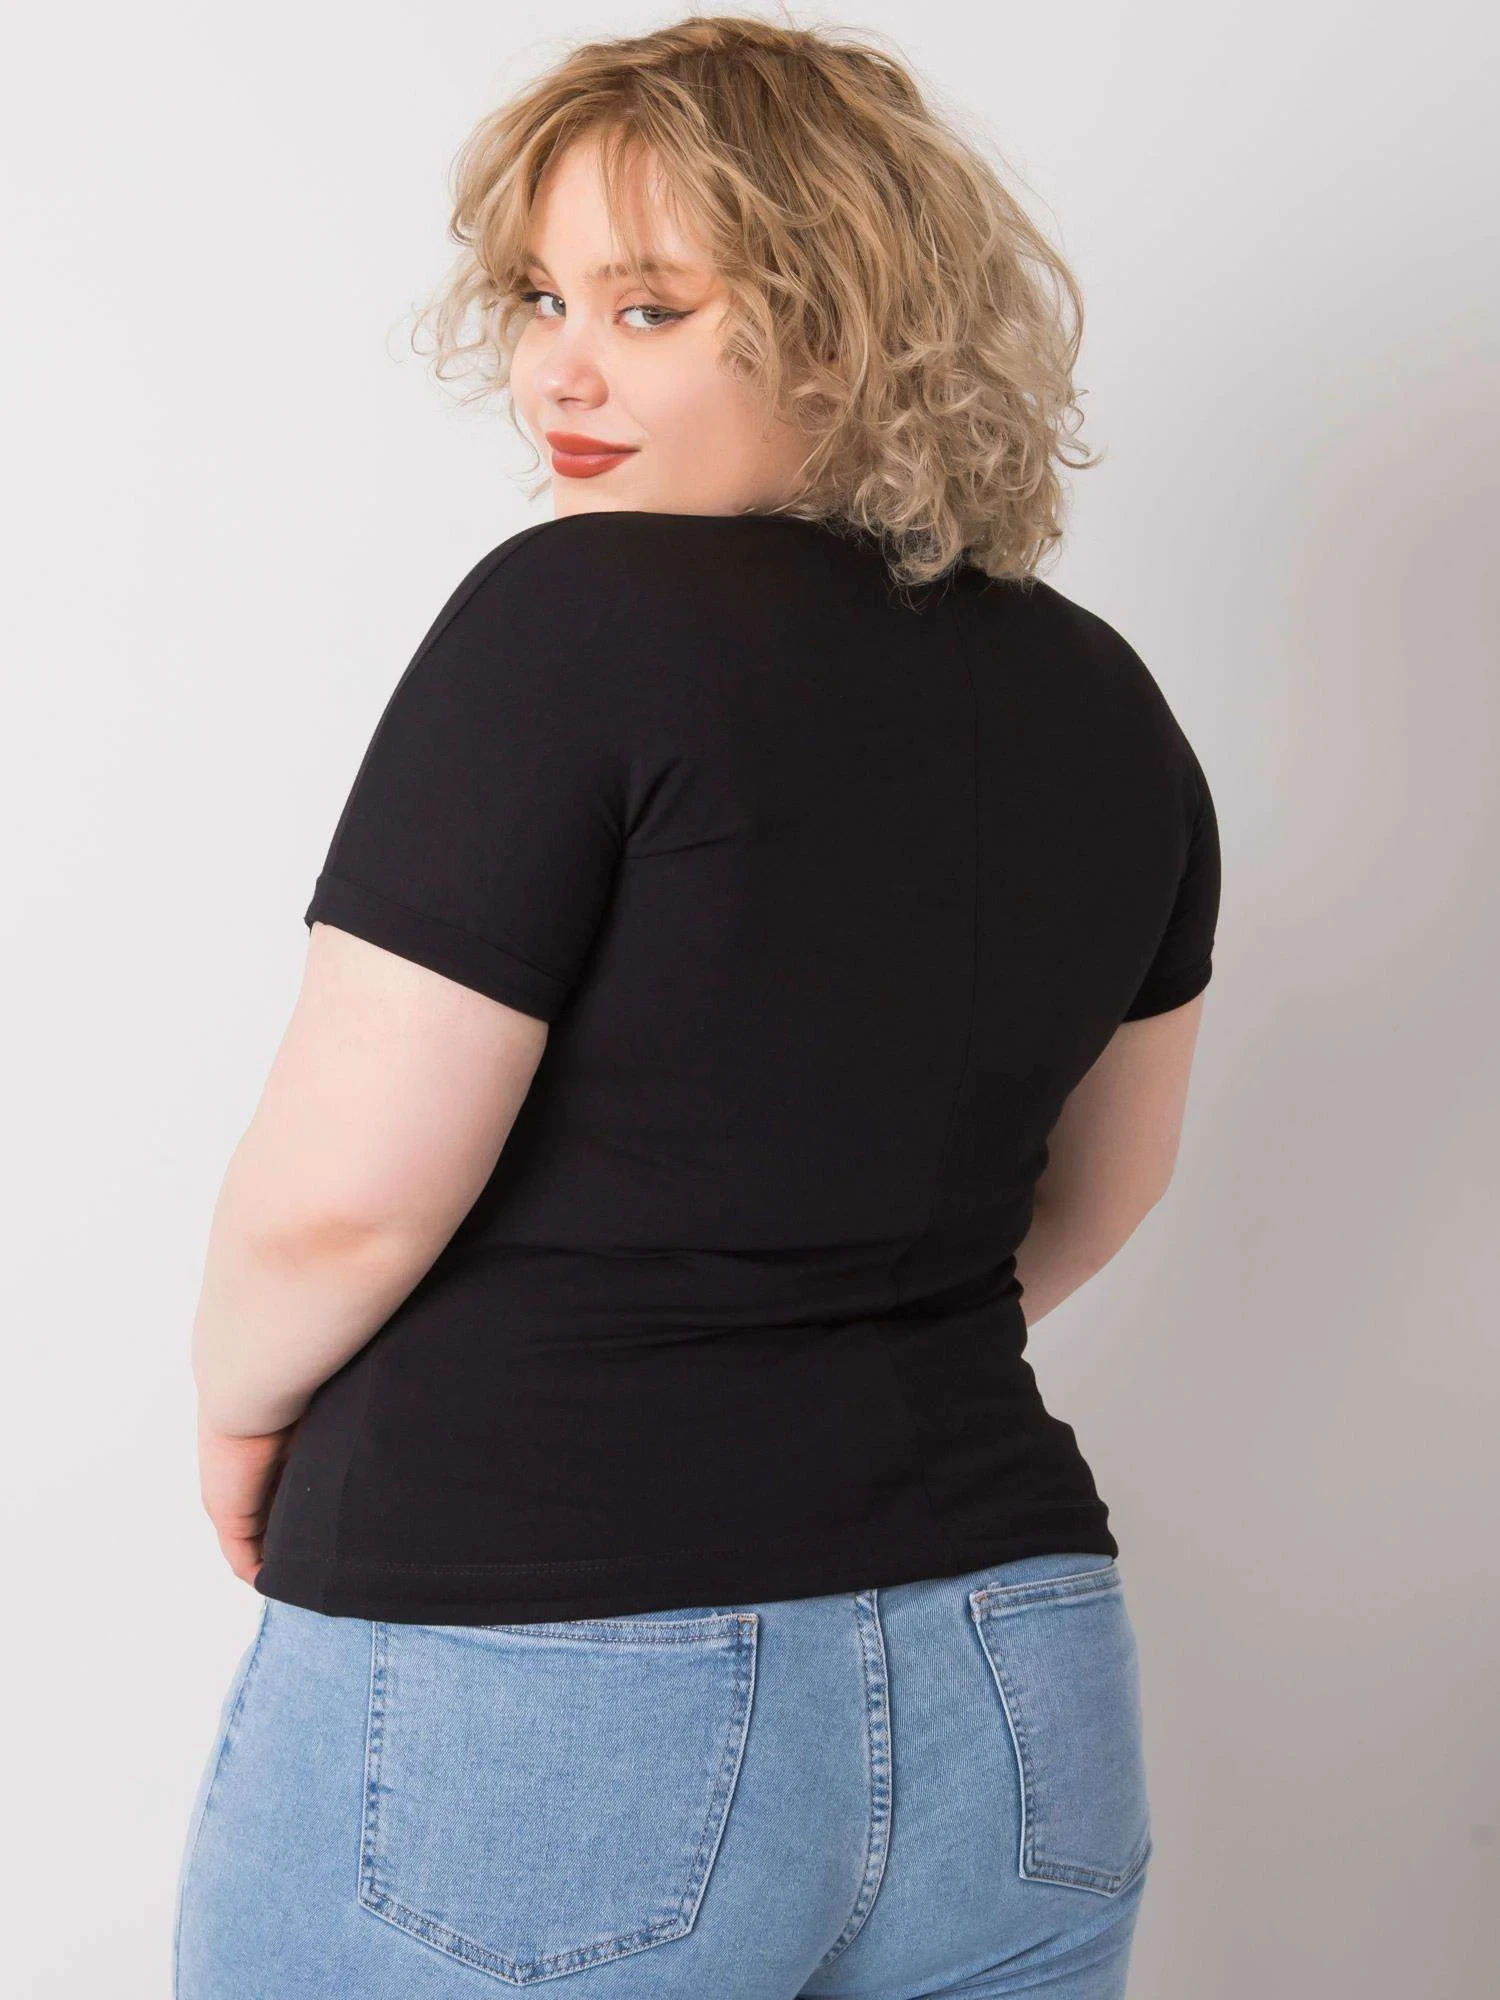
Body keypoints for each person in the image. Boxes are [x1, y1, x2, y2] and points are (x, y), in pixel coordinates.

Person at [174, 17, 1221, 1999]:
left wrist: (244, 1410)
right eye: (540, 296)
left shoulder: (571, 620)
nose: (558, 370)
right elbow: (1108, 1183)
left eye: (649, 308)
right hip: (1018, 1675)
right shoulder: (1106, 697)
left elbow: (343, 1203)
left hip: (553, 1681)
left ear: (849, 326)